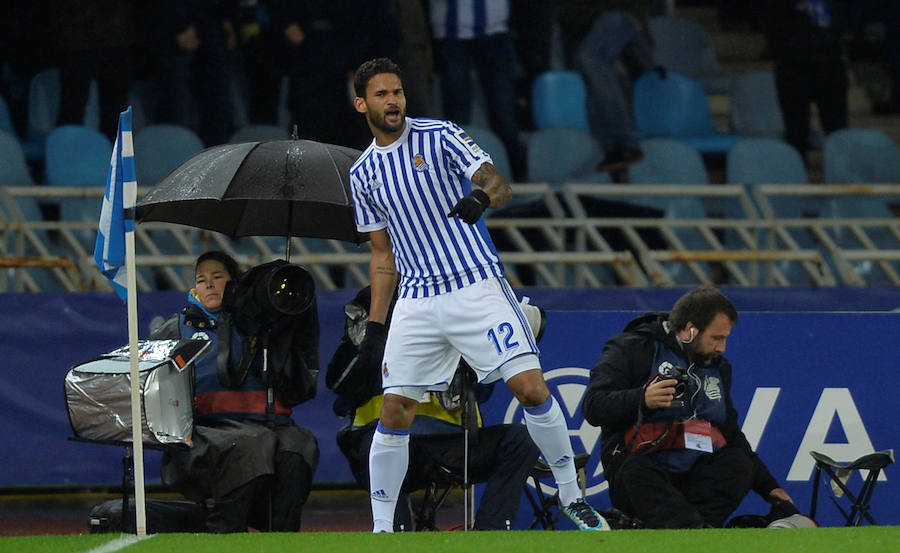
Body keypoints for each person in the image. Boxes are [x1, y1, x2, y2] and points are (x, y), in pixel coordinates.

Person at [348, 57, 608, 532]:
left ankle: (573, 496)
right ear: (361, 102)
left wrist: (481, 197)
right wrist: (376, 328)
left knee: (530, 387)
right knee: (395, 408)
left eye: (398, 92)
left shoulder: (438, 135)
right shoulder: (363, 173)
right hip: (418, 299)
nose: (393, 102)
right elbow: (382, 256)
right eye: (383, 95)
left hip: (474, 283)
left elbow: (498, 183)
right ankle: (382, 530)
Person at [327, 286, 542, 531]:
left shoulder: (458, 313)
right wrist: (370, 347)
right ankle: (394, 535)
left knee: (521, 439)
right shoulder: (371, 312)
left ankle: (491, 533)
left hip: (450, 444)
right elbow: (340, 388)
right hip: (386, 440)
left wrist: (470, 352)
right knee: (374, 445)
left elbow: (482, 392)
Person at [581, 285, 797, 528]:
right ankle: (695, 531)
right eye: (717, 338)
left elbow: (730, 433)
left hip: (694, 471)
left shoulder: (718, 367)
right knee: (636, 470)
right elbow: (593, 406)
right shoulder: (633, 348)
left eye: (725, 338)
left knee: (738, 463)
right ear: (689, 330)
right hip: (642, 470)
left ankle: (688, 529)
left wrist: (770, 488)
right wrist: (642, 399)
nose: (722, 348)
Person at [150, 251, 319, 533]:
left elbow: (298, 374)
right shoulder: (175, 329)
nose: (209, 285)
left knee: (298, 448)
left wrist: (282, 316)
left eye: (218, 277)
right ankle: (226, 534)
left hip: (267, 424)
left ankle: (284, 539)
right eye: (202, 279)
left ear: (235, 283)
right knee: (249, 444)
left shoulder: (261, 323)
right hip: (203, 431)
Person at [559, 1, 657, 172]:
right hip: (583, 21)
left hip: (619, 10)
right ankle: (611, 146)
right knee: (592, 75)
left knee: (592, 58)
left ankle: (625, 142)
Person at [765, 0, 848, 161]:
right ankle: (797, 173)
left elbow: (840, 22)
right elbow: (774, 25)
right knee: (796, 129)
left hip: (831, 65)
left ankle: (842, 172)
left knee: (837, 128)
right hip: (794, 66)